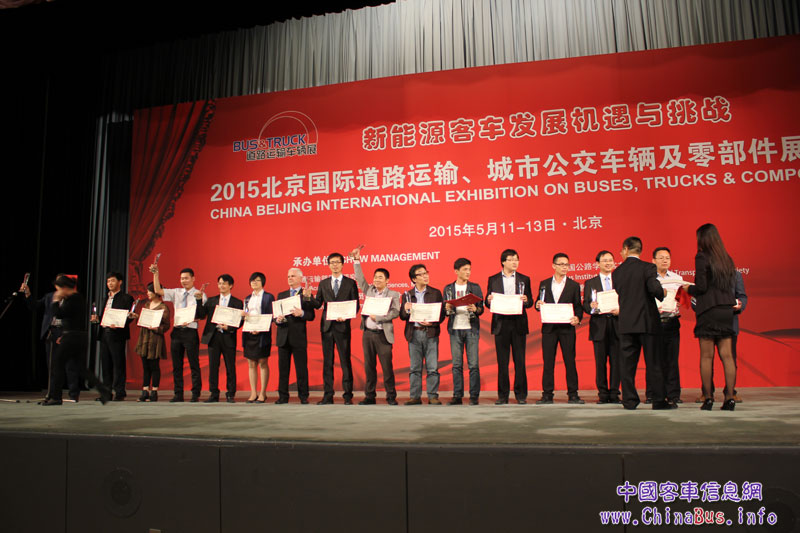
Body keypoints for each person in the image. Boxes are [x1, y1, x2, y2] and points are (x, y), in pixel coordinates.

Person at [612, 236, 672, 410]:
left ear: (626, 249)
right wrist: (663, 292)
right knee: (654, 362)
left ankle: (629, 401)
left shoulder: (617, 272)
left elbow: (621, 292)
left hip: (626, 323)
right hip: (647, 322)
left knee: (627, 365)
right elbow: (654, 289)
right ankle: (658, 400)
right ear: (640, 250)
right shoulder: (648, 267)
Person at [687, 223, 738, 411]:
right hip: (726, 310)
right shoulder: (726, 258)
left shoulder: (701, 256)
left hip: (709, 309)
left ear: (702, 239)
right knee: (727, 356)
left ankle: (708, 398)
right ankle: (730, 398)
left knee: (707, 356)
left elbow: (701, 287)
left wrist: (688, 288)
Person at [41, 275, 111, 405]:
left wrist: (55, 301)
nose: (57, 292)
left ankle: (56, 397)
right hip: (77, 336)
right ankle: (104, 391)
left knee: (57, 364)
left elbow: (59, 314)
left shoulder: (74, 299)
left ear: (65, 288)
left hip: (72, 336)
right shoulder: (75, 298)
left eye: (58, 289)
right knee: (80, 368)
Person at [150, 264, 207, 402]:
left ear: (193, 278)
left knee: (194, 364)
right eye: (182, 278)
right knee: (177, 365)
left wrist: (198, 301)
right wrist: (156, 274)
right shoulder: (176, 292)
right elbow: (158, 290)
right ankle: (178, 394)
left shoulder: (199, 294)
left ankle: (195, 393)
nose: (184, 281)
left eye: (186, 278)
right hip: (177, 332)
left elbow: (202, 315)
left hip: (190, 332)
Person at [20, 274, 81, 402]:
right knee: (52, 366)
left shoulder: (72, 298)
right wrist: (28, 294)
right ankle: (52, 393)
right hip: (51, 332)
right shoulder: (49, 296)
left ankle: (73, 394)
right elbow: (34, 306)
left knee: (70, 364)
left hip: (65, 332)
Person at [352, 247, 401, 405]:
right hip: (368, 334)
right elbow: (360, 278)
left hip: (383, 335)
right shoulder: (369, 291)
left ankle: (391, 396)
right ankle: (370, 396)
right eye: (375, 277)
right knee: (369, 367)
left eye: (380, 277)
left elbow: (396, 312)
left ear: (387, 280)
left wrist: (379, 317)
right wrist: (356, 260)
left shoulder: (393, 294)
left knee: (387, 367)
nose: (377, 280)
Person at [534, 253, 584, 404]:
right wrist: (537, 304)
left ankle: (573, 394)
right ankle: (547, 394)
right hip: (549, 328)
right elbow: (539, 302)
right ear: (554, 266)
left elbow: (578, 306)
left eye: (567, 265)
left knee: (570, 361)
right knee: (548, 362)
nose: (564, 267)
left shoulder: (574, 285)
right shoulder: (544, 284)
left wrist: (578, 318)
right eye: (561, 264)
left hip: (567, 329)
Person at [485, 249, 533, 405]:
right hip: (501, 324)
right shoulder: (493, 279)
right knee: (502, 362)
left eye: (516, 259)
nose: (515, 262)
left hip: (518, 323)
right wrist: (488, 300)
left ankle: (521, 395)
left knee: (520, 361)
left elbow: (530, 302)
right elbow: (488, 302)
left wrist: (526, 300)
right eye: (511, 259)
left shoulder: (524, 279)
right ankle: (503, 395)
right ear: (503, 262)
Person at [312, 253, 359, 405]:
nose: (335, 265)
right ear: (328, 265)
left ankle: (347, 396)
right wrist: (308, 298)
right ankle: (328, 395)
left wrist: (346, 316)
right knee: (327, 362)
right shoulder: (323, 283)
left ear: (342, 264)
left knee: (345, 361)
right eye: (332, 262)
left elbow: (355, 305)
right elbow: (318, 304)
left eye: (337, 262)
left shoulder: (350, 283)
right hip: (327, 327)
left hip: (342, 326)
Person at [696, 270, 747, 404]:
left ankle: (730, 393)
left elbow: (742, 296)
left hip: (729, 322)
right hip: (707, 322)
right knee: (707, 359)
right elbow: (696, 298)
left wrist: (739, 305)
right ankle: (707, 393)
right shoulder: (704, 274)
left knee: (730, 359)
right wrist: (700, 307)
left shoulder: (735, 275)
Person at [399, 263, 446, 405]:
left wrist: (432, 323)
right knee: (415, 368)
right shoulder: (407, 295)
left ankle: (432, 396)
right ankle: (415, 396)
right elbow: (402, 316)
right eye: (421, 274)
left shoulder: (435, 293)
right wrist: (405, 309)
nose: (425, 276)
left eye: (426, 273)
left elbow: (441, 314)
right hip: (414, 333)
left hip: (430, 333)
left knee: (432, 367)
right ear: (414, 279)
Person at [197, 274, 244, 403]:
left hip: (228, 336)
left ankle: (230, 394)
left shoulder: (237, 302)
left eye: (224, 283)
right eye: (219, 283)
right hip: (213, 337)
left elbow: (240, 321)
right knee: (213, 367)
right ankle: (214, 394)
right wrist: (199, 300)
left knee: (230, 366)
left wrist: (229, 327)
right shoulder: (211, 301)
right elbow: (201, 314)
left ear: (230, 285)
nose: (221, 286)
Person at [443, 258, 484, 405]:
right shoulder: (448, 288)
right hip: (455, 329)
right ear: (456, 271)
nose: (468, 272)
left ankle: (474, 396)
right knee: (456, 365)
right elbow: (445, 311)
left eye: (469, 269)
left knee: (473, 364)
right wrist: (447, 309)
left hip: (471, 328)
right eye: (465, 269)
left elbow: (481, 309)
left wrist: (475, 309)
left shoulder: (475, 287)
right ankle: (457, 395)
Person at [582, 250, 621, 404]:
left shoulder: (619, 281)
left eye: (610, 260)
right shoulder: (590, 283)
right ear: (597, 264)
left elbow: (626, 300)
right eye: (605, 260)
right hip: (599, 326)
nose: (608, 263)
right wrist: (591, 306)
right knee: (600, 362)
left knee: (617, 362)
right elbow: (585, 305)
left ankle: (615, 393)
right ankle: (603, 394)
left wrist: (621, 310)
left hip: (617, 325)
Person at [90, 272, 135, 401]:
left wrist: (120, 324)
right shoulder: (105, 298)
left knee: (118, 364)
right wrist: (97, 319)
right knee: (105, 364)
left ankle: (120, 392)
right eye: (108, 281)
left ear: (120, 282)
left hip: (117, 334)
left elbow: (129, 316)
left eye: (113, 281)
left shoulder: (126, 298)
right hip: (104, 333)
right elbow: (105, 316)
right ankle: (106, 392)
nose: (110, 283)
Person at [274, 268, 315, 404]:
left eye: (293, 276)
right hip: (283, 337)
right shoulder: (281, 295)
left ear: (300, 278)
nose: (290, 278)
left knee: (301, 369)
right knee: (283, 369)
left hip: (298, 337)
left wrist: (301, 313)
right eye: (288, 276)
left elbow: (311, 316)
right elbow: (275, 316)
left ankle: (303, 396)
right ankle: (283, 396)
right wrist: (278, 319)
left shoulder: (305, 294)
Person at [653, 247, 684, 404]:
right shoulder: (650, 279)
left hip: (672, 322)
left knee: (672, 360)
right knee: (655, 360)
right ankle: (654, 394)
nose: (665, 260)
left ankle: (673, 394)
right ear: (653, 261)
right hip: (654, 323)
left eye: (667, 258)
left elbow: (682, 298)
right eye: (661, 258)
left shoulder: (677, 279)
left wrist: (679, 303)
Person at [134, 282, 171, 402]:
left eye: (149, 291)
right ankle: (145, 391)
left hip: (155, 339)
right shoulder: (146, 304)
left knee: (154, 366)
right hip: (144, 337)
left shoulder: (163, 307)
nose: (148, 293)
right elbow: (143, 320)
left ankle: (154, 391)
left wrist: (157, 328)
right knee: (145, 366)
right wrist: (137, 318)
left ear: (156, 292)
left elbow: (166, 325)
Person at [241, 272, 274, 403]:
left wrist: (260, 328)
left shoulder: (268, 297)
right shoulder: (247, 298)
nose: (254, 283)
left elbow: (271, 315)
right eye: (252, 281)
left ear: (263, 282)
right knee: (251, 363)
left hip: (263, 333)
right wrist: (243, 316)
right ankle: (253, 392)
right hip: (249, 333)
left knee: (262, 362)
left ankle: (263, 393)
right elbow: (246, 314)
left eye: (257, 280)